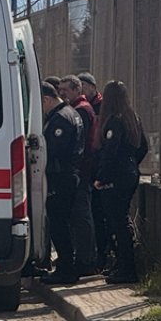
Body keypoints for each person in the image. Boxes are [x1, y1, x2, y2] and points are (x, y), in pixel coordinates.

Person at [94, 81, 149, 284]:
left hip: (116, 177)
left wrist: (101, 178)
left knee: (116, 222)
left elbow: (110, 153)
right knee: (120, 220)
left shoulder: (114, 121)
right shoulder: (132, 117)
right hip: (129, 172)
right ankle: (122, 264)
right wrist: (132, 163)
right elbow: (143, 146)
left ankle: (127, 269)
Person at [40, 82, 87, 285]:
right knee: (65, 223)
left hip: (61, 177)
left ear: (46, 100)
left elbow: (54, 151)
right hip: (69, 175)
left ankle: (66, 269)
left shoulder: (61, 118)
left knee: (60, 224)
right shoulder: (71, 113)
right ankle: (67, 265)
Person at [58, 74, 99, 278]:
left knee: (81, 217)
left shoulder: (80, 111)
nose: (62, 93)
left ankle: (86, 260)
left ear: (77, 89)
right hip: (81, 171)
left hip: (82, 172)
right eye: (60, 90)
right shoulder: (78, 109)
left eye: (66, 89)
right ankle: (84, 258)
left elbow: (80, 144)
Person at [78, 71, 110, 270]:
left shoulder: (102, 106)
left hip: (101, 169)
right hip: (92, 169)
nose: (81, 90)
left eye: (84, 86)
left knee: (100, 215)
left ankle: (104, 255)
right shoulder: (84, 107)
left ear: (92, 86)